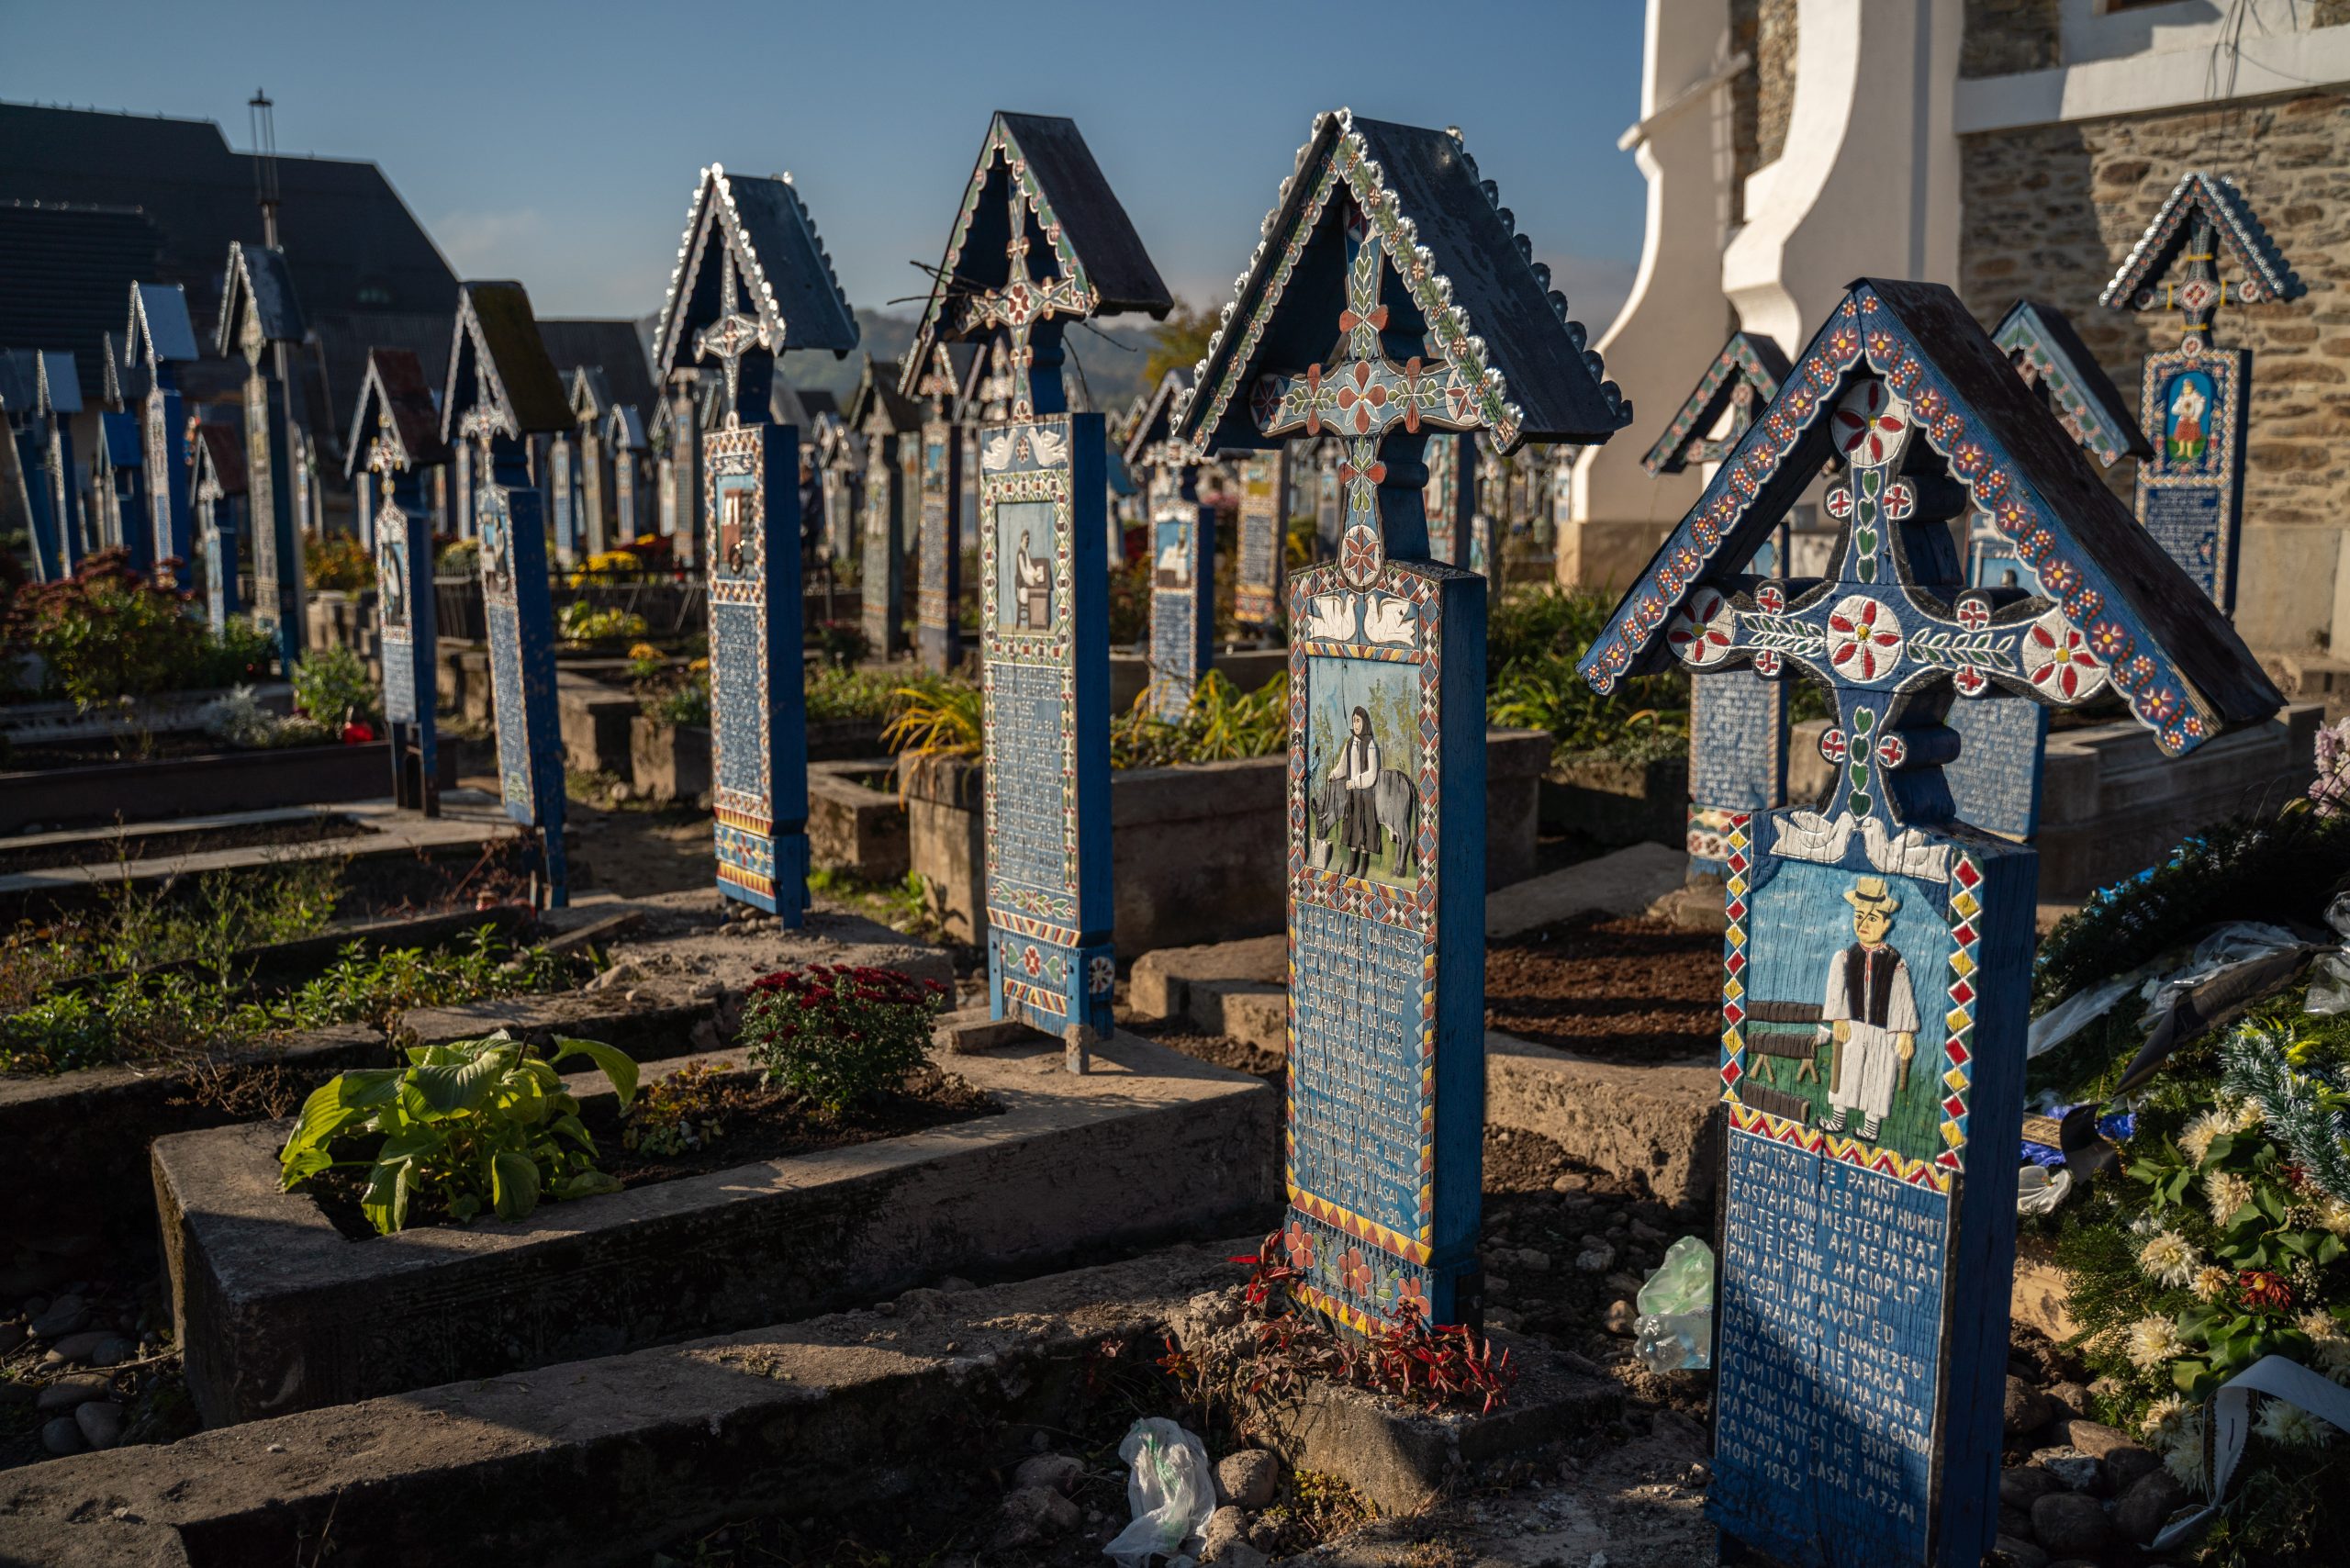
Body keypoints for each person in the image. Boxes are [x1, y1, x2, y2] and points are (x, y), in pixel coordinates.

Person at [1820, 875, 1918, 1142]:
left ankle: (1871, 1127)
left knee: (1880, 1075)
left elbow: (1903, 998)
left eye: (1872, 918)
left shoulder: (1895, 962)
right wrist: (1838, 1018)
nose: (1863, 924)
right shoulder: (1843, 957)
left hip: (1883, 1030)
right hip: (1852, 1025)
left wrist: (1905, 1033)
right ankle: (1838, 1118)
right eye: (1859, 915)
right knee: (1847, 1070)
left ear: (1886, 924)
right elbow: (1835, 991)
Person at [1328, 706, 1382, 879]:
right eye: (1353, 721)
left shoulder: (1370, 745)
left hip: (1365, 795)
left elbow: (1372, 774)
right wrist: (1334, 775)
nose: (1355, 724)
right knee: (1352, 826)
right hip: (1352, 796)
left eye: (1358, 720)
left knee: (1365, 827)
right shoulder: (1350, 743)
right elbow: (1343, 765)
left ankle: (1364, 866)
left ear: (1364, 722)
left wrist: (1355, 782)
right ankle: (1352, 863)